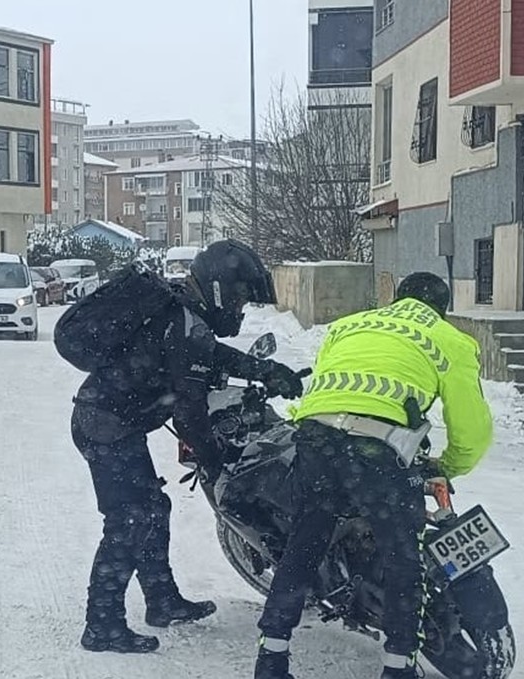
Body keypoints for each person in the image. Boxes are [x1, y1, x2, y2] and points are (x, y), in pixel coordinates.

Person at [253, 272, 494, 679]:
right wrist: (449, 466)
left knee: (305, 545)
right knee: (403, 558)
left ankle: (271, 658)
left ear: (397, 300)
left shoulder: (348, 325)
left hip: (317, 439)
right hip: (378, 451)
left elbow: (326, 388)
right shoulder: (449, 340)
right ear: (441, 308)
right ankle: (397, 668)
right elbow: (472, 428)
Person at [70, 239, 306, 654]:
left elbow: (213, 356)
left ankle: (162, 600)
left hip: (111, 422)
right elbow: (189, 414)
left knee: (152, 509)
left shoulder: (184, 317)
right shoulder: (185, 322)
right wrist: (213, 466)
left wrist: (266, 370)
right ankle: (102, 623)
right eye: (237, 298)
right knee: (130, 519)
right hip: (105, 426)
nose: (238, 308)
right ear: (218, 288)